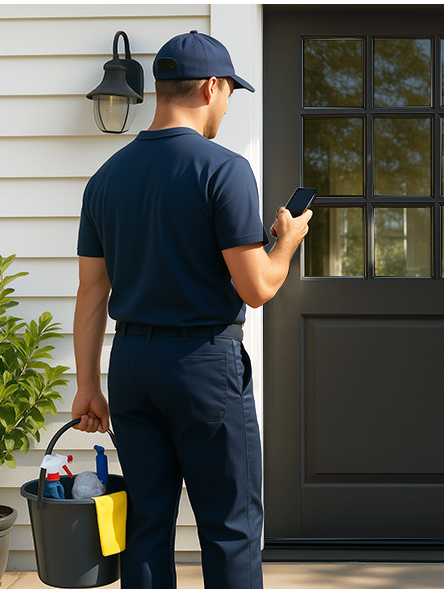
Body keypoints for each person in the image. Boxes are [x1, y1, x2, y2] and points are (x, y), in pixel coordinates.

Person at [69, 30, 311, 589]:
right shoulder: (224, 170)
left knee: (146, 526)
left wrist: (87, 385)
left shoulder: (104, 179)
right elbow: (257, 288)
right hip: (204, 366)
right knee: (230, 528)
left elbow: (90, 293)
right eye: (229, 93)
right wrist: (287, 241)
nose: (226, 106)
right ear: (210, 88)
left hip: (132, 366)